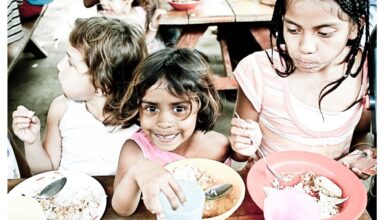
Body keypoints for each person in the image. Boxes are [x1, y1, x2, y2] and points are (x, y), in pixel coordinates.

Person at [229, 0, 375, 178]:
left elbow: (361, 133)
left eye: (324, 33)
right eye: (293, 29)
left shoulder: (367, 72)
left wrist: (362, 153)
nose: (306, 47)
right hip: (265, 187)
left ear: (355, 26)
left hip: (331, 197)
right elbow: (240, 154)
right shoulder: (258, 71)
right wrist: (242, 146)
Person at [11, 16, 148, 176]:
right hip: (69, 197)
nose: (59, 65)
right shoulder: (61, 109)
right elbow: (46, 171)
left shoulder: (143, 120)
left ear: (102, 85)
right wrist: (31, 142)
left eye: (71, 63)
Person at [111, 47, 230, 217]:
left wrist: (242, 154)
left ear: (201, 104)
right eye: (151, 108)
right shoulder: (135, 151)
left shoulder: (218, 146)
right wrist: (137, 170)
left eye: (179, 108)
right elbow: (122, 209)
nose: (164, 123)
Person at [84, 0, 166, 53]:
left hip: (138, 54)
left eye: (110, 0)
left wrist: (153, 25)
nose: (103, 3)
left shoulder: (140, 13)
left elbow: (144, 41)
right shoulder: (104, 19)